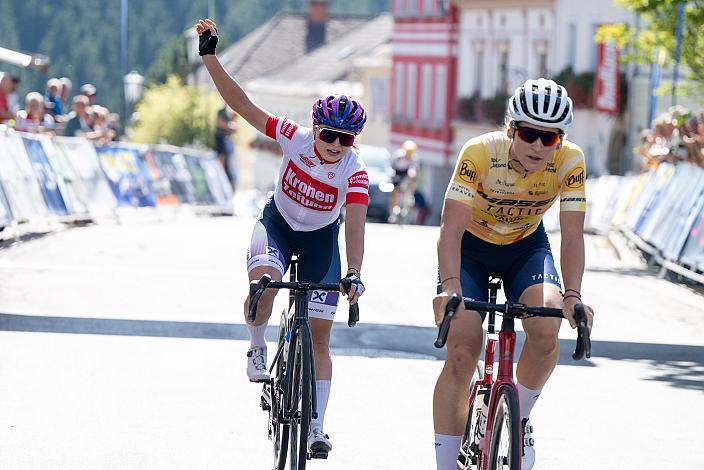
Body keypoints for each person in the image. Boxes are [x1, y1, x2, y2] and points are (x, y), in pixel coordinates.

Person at [196, 18, 368, 456]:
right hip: (278, 224)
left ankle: (316, 426)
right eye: (329, 135)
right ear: (316, 128)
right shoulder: (295, 138)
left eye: (345, 140)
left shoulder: (354, 171)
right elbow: (242, 105)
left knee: (321, 337)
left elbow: (354, 223)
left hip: (319, 240)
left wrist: (353, 272)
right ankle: (256, 347)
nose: (335, 144)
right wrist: (210, 57)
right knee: (264, 287)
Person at [432, 78, 595, 470]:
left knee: (546, 327)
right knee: (461, 350)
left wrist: (572, 296)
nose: (539, 146)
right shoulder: (480, 153)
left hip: (525, 246)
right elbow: (450, 228)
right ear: (511, 130)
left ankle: (517, 416)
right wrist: (450, 288)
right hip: (471, 249)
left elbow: (572, 234)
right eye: (529, 134)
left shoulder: (570, 161)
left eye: (550, 138)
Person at [388, 139, 418, 222]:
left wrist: (412, 174)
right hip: (397, 171)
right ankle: (393, 212)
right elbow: (391, 166)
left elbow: (413, 168)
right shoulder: (398, 155)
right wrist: (392, 173)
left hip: (406, 171)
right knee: (395, 190)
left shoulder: (413, 157)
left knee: (412, 178)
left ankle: (409, 195)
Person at [214, 104, 237, 190]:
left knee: (228, 163)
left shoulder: (229, 112)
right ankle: (219, 177)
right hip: (221, 139)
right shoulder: (221, 111)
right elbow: (220, 123)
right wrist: (229, 126)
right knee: (221, 160)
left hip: (226, 140)